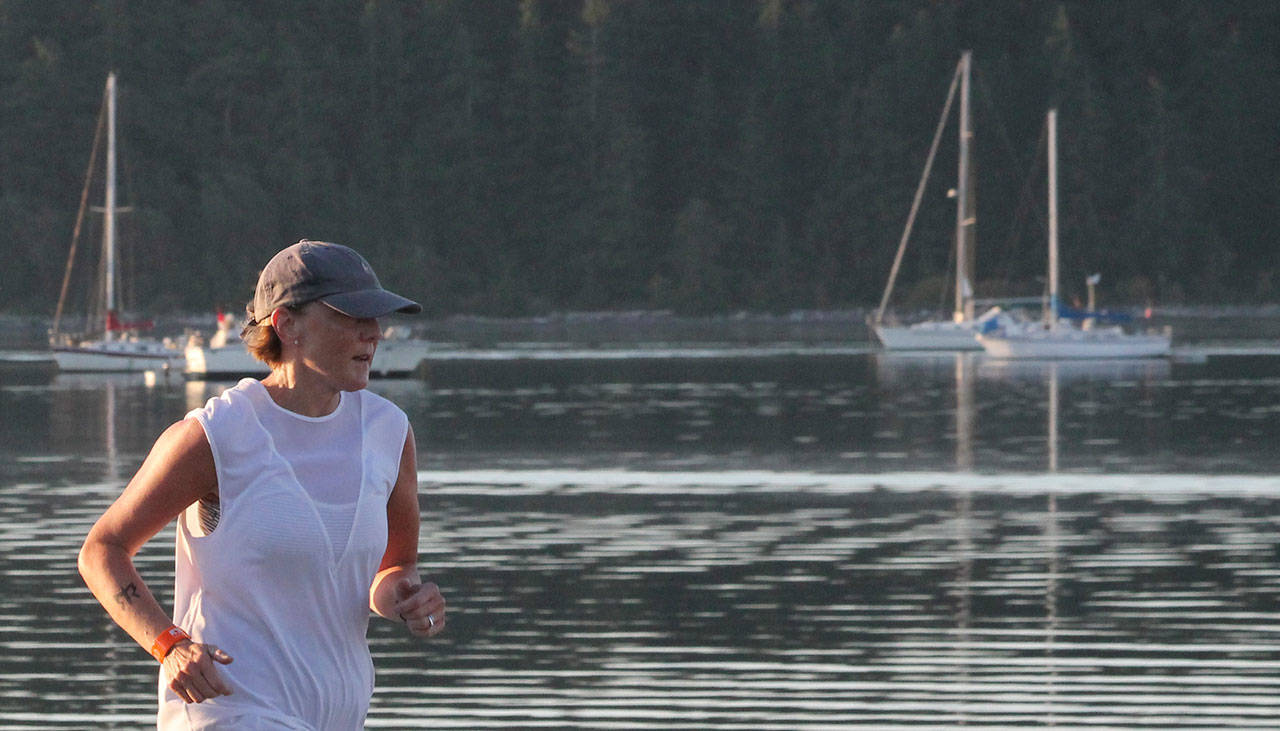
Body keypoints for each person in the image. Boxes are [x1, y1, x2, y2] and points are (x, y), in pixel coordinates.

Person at [78, 239, 446, 730]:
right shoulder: (215, 435)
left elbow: (393, 569)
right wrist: (169, 644)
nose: (373, 333)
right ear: (286, 324)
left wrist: (407, 599)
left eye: (376, 318)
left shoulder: (389, 431)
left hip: (337, 717)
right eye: (352, 318)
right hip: (229, 712)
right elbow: (102, 549)